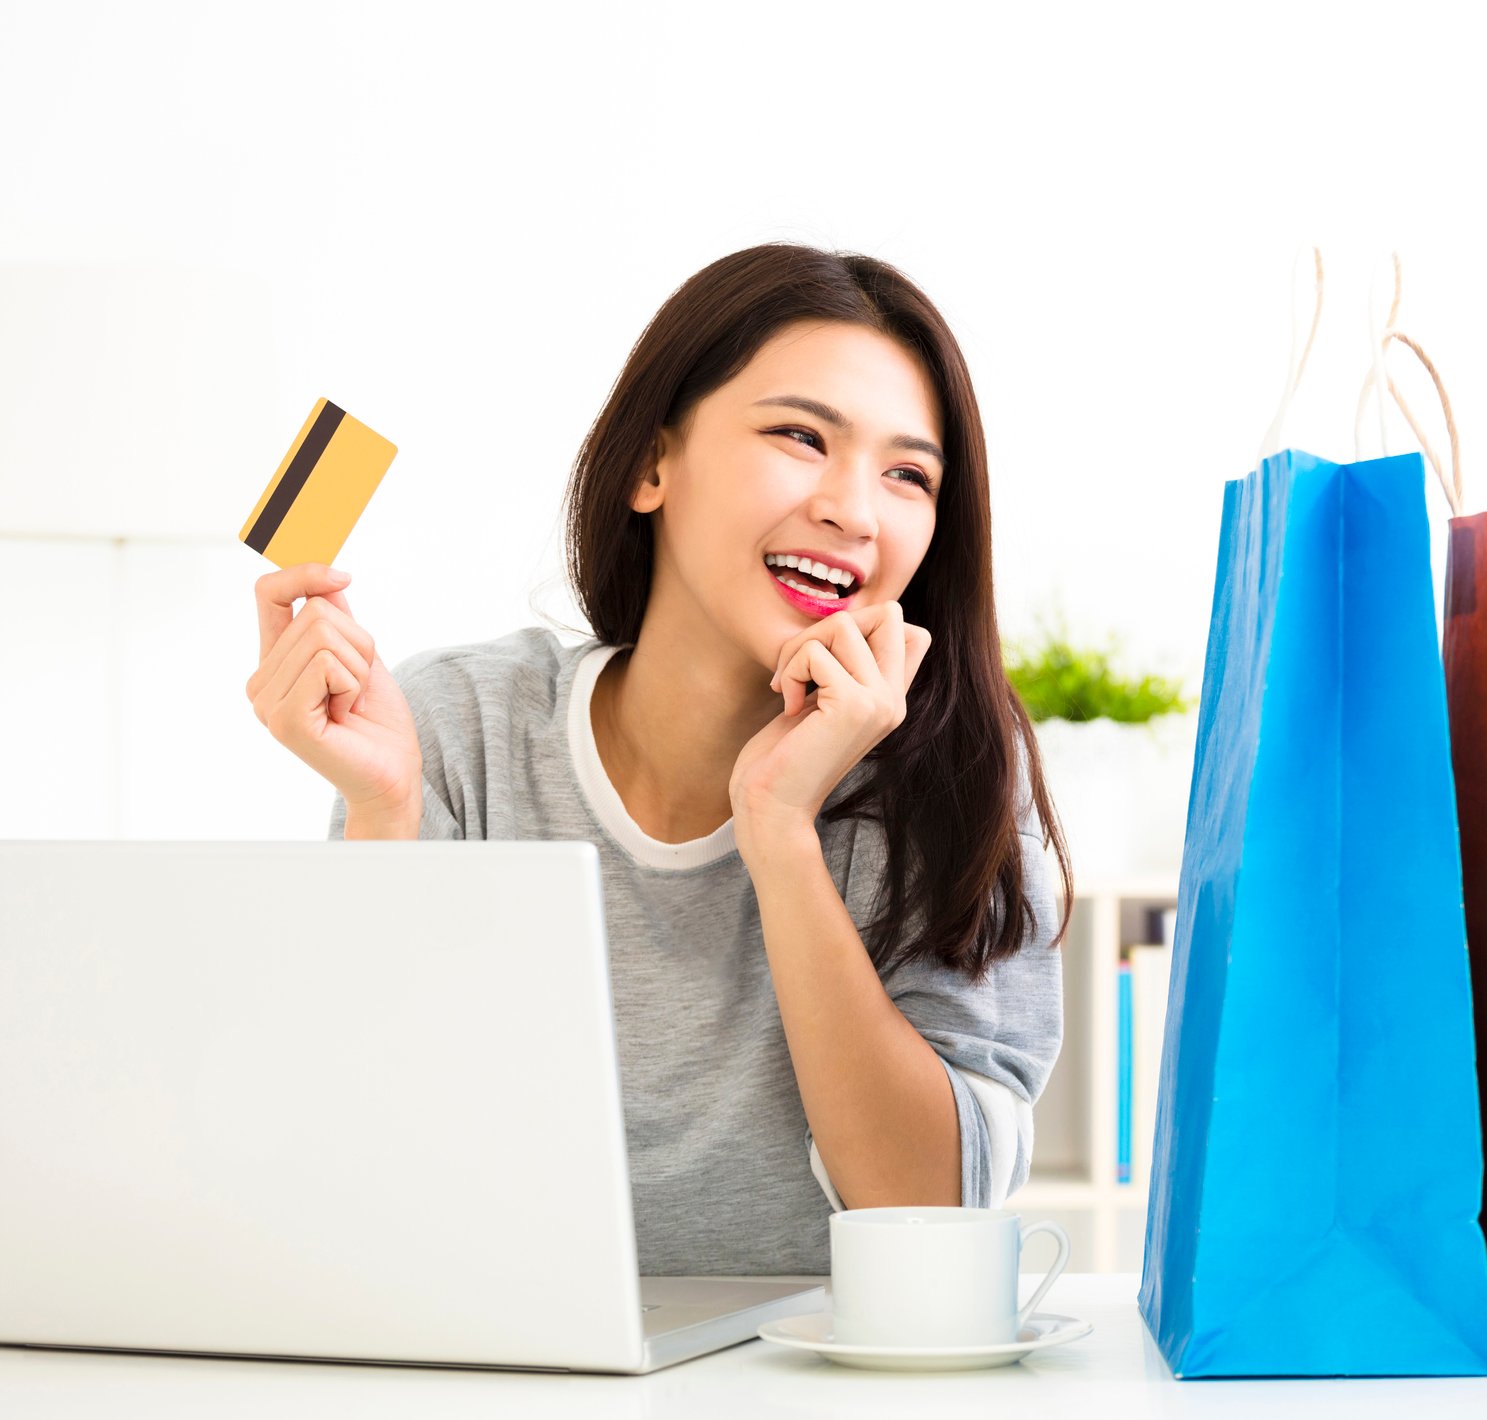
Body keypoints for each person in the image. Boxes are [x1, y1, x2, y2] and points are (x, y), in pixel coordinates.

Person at [244, 243, 1073, 1276]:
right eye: (800, 436)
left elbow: (930, 1210)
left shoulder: (958, 785)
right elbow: (364, 1157)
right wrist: (384, 816)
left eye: (908, 474)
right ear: (649, 465)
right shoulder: (455, 728)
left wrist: (778, 828)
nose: (854, 511)